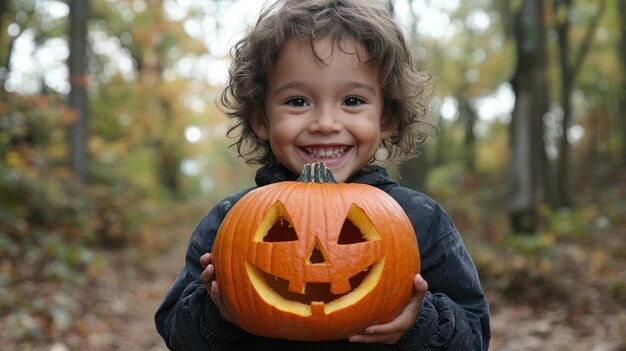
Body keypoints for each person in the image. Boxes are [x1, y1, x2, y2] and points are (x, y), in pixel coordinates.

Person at [155, 0, 490, 350]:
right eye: (298, 101)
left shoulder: (421, 220)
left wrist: (415, 323)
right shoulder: (228, 220)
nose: (326, 124)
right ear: (262, 119)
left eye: (352, 101)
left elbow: (474, 336)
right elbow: (177, 334)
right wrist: (218, 311)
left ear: (387, 117)